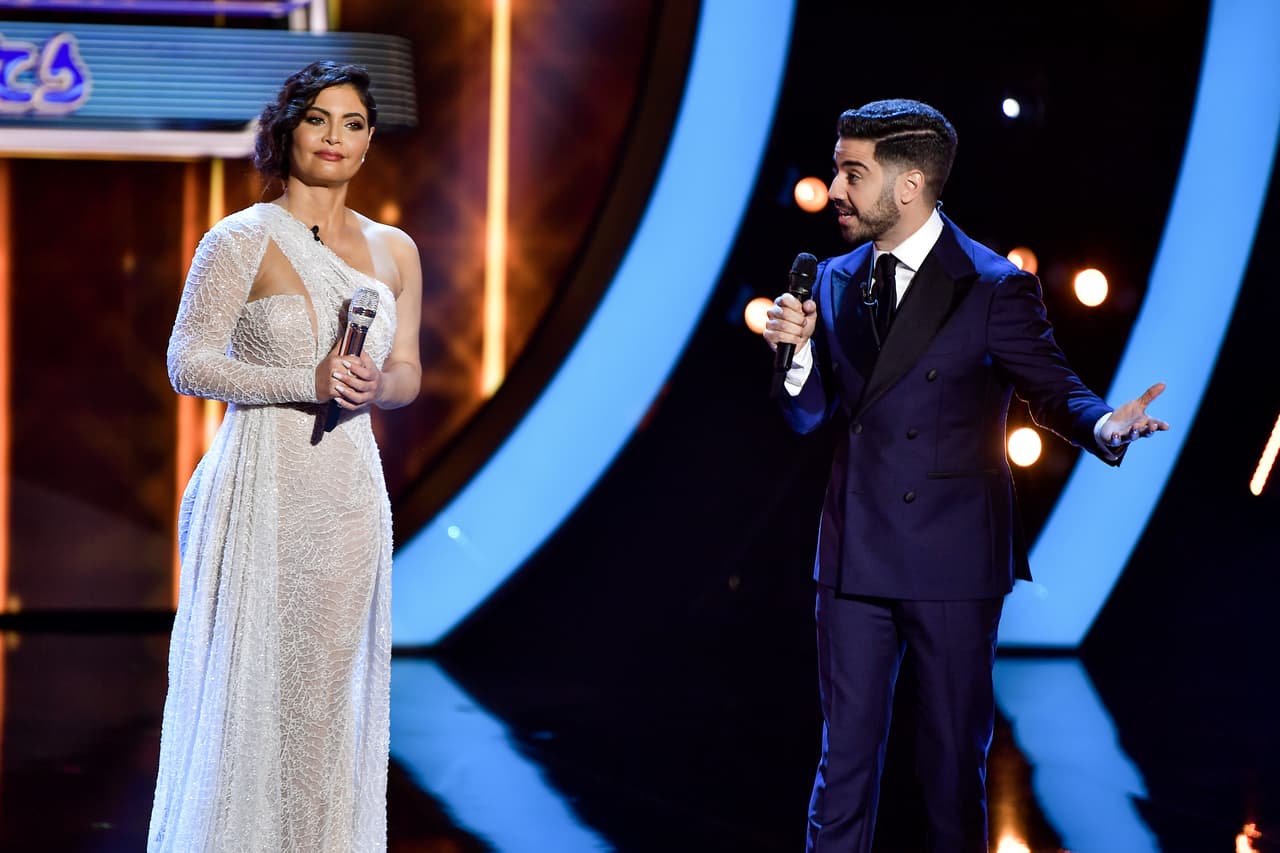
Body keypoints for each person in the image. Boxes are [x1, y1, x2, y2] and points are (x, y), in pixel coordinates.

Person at [762, 99, 1168, 852]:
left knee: (951, 766)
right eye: (836, 168)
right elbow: (810, 415)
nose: (836, 189)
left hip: (951, 558)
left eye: (853, 173)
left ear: (910, 184)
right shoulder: (835, 277)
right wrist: (793, 358)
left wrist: (1106, 424)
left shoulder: (990, 285)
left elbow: (1053, 387)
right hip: (853, 554)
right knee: (843, 765)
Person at [148, 61, 423, 852]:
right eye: (319, 120)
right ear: (289, 129)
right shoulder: (239, 238)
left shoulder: (393, 249)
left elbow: (407, 373)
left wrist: (376, 387)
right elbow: (187, 362)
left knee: (323, 703)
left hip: (346, 497)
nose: (335, 138)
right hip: (257, 485)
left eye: (354, 124)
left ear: (369, 144)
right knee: (248, 697)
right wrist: (302, 378)